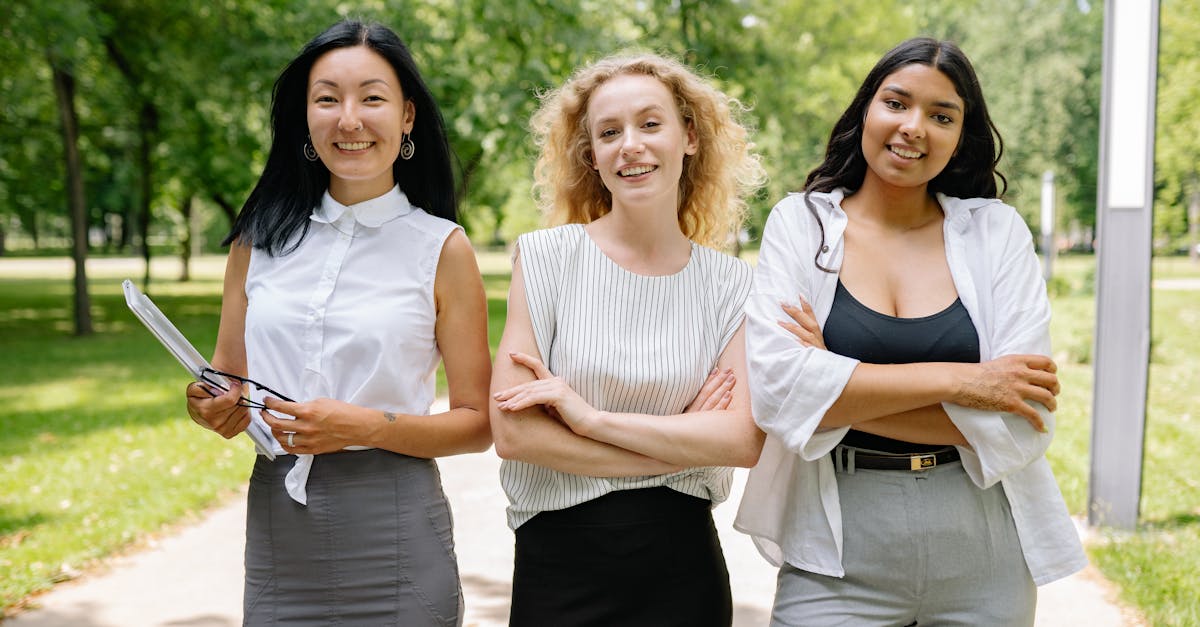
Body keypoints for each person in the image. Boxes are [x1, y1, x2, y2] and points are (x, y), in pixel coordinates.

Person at [734, 37, 1087, 626]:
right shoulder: (801, 225)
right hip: (837, 549)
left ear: (961, 137)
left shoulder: (996, 234)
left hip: (984, 552)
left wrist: (833, 391)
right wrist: (961, 383)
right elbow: (777, 394)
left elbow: (1024, 419)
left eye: (942, 116)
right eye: (896, 103)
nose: (913, 127)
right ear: (866, 110)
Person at [183, 19, 491, 626]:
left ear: (406, 116)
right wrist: (209, 406)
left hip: (397, 529)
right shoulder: (256, 241)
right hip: (278, 530)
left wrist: (365, 425)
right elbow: (228, 379)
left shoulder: (443, 249)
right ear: (305, 118)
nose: (349, 120)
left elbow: (478, 423)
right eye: (327, 99)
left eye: (372, 98)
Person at [489, 53, 767, 626]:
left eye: (650, 124)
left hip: (683, 574)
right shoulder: (545, 260)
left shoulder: (732, 286)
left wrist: (588, 420)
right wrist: (679, 446)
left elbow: (741, 440)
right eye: (609, 132)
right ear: (592, 155)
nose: (630, 145)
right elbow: (514, 433)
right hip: (558, 567)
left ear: (689, 137)